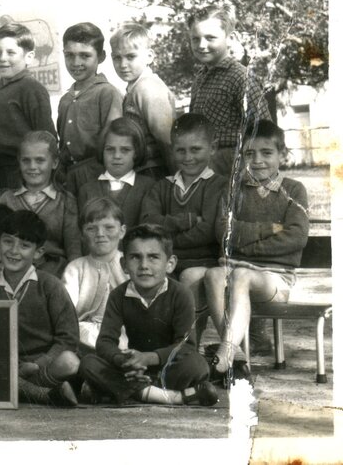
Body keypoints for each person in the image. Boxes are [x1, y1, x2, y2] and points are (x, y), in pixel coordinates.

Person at [204, 120, 309, 377]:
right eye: (249, 153)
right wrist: (267, 230)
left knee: (241, 274)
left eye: (267, 153)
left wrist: (245, 248)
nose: (258, 160)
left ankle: (225, 353)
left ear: (282, 155)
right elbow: (223, 232)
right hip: (235, 272)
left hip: (275, 280)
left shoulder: (294, 189)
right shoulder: (234, 190)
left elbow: (295, 238)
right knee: (213, 275)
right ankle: (235, 354)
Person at [79, 224, 217, 407]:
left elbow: (186, 344)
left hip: (168, 367)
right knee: (88, 362)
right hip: (132, 369)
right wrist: (124, 360)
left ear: (170, 264)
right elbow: (105, 342)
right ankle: (172, 397)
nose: (144, 266)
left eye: (153, 257)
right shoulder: (118, 295)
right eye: (135, 257)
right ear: (124, 264)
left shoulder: (181, 294)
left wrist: (149, 358)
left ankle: (127, 392)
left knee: (197, 365)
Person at [0, 210, 80, 406]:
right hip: (4, 366)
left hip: (44, 364)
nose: (14, 251)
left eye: (24, 245)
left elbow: (68, 338)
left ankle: (21, 389)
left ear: (38, 252)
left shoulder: (50, 285)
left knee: (70, 361)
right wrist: (11, 365)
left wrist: (37, 364)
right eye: (8, 242)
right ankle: (43, 394)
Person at [141, 113, 227, 339]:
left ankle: (188, 348)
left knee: (188, 278)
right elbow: (148, 223)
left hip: (204, 262)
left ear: (213, 148)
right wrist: (186, 221)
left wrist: (167, 237)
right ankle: (164, 347)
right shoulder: (162, 187)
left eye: (196, 149)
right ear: (172, 150)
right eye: (181, 150)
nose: (188, 157)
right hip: (168, 263)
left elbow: (207, 230)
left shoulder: (218, 186)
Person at [187, 3, 270, 176]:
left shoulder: (240, 77)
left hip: (233, 163)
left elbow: (263, 127)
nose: (201, 45)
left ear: (230, 38)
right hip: (204, 162)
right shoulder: (199, 79)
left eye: (210, 38)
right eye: (195, 39)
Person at [0, 131, 81, 278]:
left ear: (54, 162)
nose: (32, 166)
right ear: (19, 161)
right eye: (26, 160)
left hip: (55, 274)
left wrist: (74, 279)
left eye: (40, 160)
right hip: (14, 273)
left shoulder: (66, 201)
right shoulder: (7, 199)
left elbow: (74, 250)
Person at [0, 22, 55, 190]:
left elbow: (46, 136)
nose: (2, 58)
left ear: (29, 57)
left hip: (20, 170)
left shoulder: (31, 88)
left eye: (11, 53)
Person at [56, 22, 122, 180]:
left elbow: (114, 142)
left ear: (101, 56)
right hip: (67, 176)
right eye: (69, 55)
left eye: (85, 56)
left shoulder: (107, 93)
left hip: (97, 175)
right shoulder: (65, 99)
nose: (76, 63)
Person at [62, 198, 128, 354]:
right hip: (86, 331)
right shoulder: (75, 268)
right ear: (82, 235)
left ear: (122, 231)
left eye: (109, 227)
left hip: (123, 330)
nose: (100, 234)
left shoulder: (130, 263)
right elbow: (67, 311)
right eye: (91, 229)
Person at [110, 22, 176, 178]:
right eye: (117, 58)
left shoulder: (147, 88)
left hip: (154, 170)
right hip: (142, 170)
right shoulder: (135, 87)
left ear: (149, 56)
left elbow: (167, 140)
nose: (123, 64)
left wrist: (178, 179)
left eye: (130, 56)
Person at [77, 117, 154, 229]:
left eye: (125, 150)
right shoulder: (87, 190)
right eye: (110, 149)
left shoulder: (149, 187)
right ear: (102, 151)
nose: (117, 156)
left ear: (136, 153)